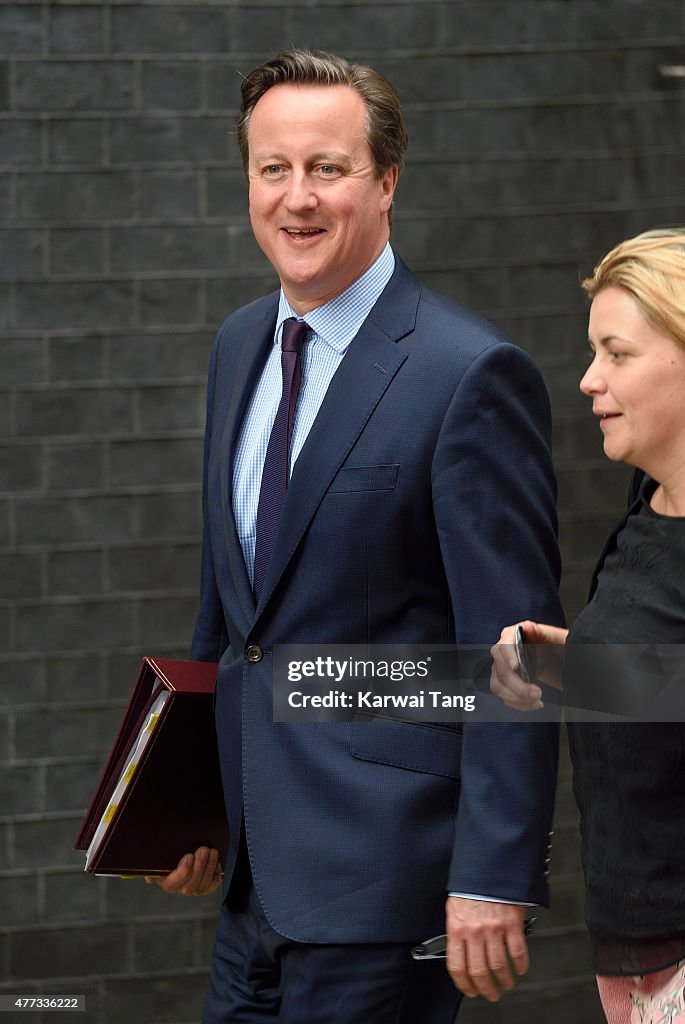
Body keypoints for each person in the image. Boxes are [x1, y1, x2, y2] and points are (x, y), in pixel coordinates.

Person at [149, 48, 564, 1022]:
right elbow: (231, 611)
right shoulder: (239, 344)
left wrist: (496, 873)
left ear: (385, 180)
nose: (296, 198)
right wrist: (188, 800)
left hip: (386, 886)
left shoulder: (468, 374)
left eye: (327, 168)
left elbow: (520, 652)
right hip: (251, 882)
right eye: (272, 168)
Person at [490, 228, 685, 1024]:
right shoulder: (651, 503)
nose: (586, 380)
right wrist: (576, 663)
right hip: (635, 954)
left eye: (616, 353)